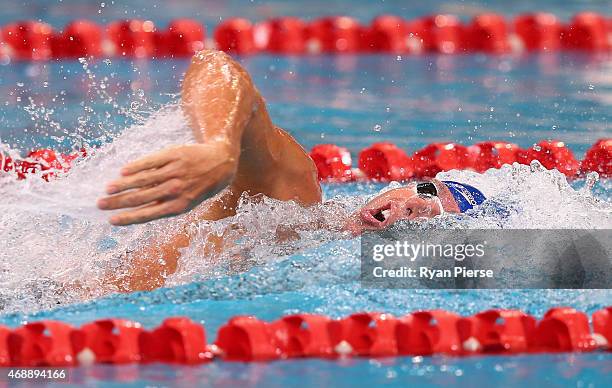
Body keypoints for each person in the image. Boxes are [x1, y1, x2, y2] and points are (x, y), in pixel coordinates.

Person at [97, 50, 486, 291]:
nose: (412, 211)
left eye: (429, 222)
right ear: (402, 186)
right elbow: (214, 67)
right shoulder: (292, 195)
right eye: (425, 195)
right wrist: (220, 147)